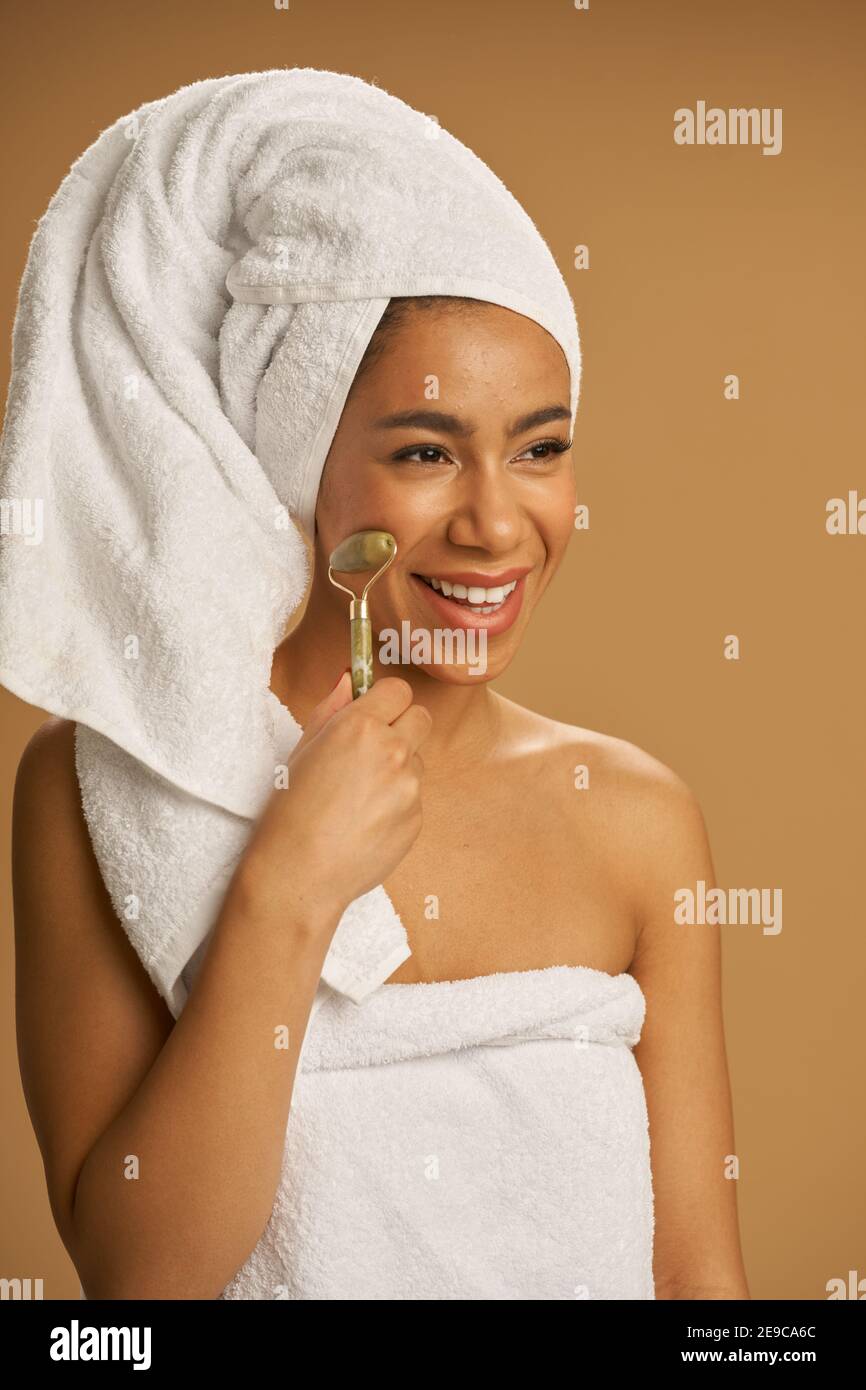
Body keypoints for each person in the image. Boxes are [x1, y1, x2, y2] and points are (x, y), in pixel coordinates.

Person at [6, 69, 749, 1301]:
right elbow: (141, 1287)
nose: (498, 523)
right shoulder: (101, 792)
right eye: (423, 451)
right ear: (295, 455)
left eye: (541, 449)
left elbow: (703, 1289)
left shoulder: (637, 820)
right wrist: (287, 889)